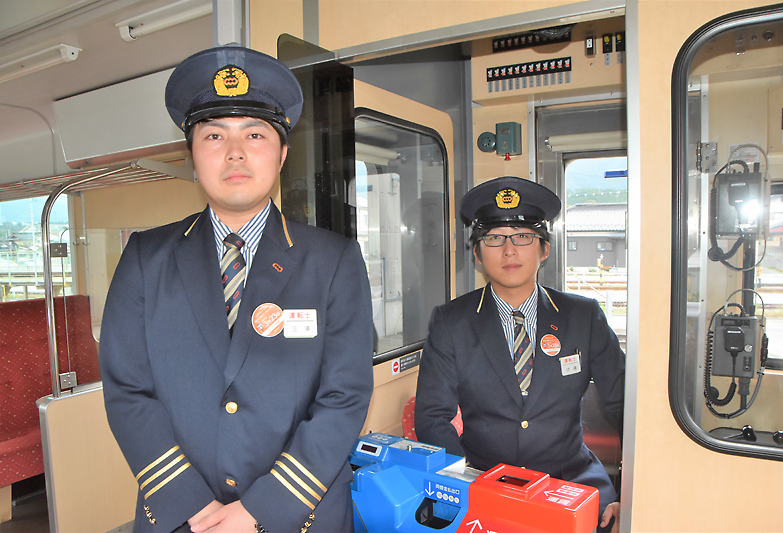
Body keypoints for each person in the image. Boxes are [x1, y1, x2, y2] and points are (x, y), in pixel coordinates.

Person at [99, 46, 373, 533]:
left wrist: (260, 509)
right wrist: (195, 507)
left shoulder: (333, 261)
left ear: (283, 153)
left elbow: (344, 396)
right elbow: (128, 393)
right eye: (213, 135)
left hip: (299, 513)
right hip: (183, 516)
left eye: (254, 134)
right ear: (191, 156)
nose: (235, 152)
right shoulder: (145, 258)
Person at [414, 176, 624, 533]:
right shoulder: (451, 322)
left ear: (543, 249)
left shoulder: (582, 316)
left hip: (573, 485)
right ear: (478, 253)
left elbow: (625, 405)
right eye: (494, 238)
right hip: (483, 482)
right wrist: (470, 483)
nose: (509, 250)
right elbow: (432, 418)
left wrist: (634, 489)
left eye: (523, 237)